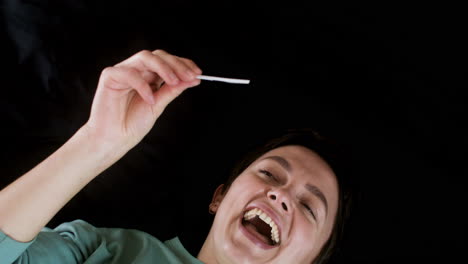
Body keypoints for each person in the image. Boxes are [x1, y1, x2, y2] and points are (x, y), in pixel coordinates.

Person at [0, 49, 352, 264]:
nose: (281, 195)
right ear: (219, 198)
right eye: (269, 175)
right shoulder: (105, 250)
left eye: (309, 208)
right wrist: (96, 142)